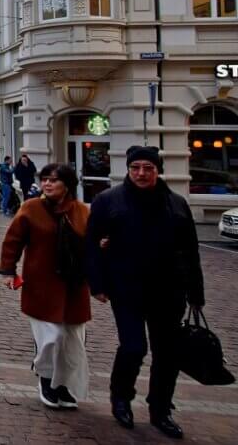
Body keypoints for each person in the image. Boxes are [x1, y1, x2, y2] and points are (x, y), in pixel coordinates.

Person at [85, 146, 205, 440]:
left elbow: (190, 250)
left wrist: (196, 292)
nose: (141, 173)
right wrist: (97, 284)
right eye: (136, 167)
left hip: (169, 290)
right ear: (128, 169)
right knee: (133, 347)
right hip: (126, 288)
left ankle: (160, 409)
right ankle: (121, 398)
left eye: (148, 168)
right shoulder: (108, 201)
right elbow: (90, 245)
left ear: (157, 170)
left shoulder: (176, 203)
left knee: (167, 353)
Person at [0, 163, 91, 410]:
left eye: (54, 180)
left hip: (74, 287)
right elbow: (13, 240)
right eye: (45, 179)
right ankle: (46, 379)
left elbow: (91, 248)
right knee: (51, 337)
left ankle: (64, 386)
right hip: (42, 285)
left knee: (73, 341)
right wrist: (8, 270)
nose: (48, 184)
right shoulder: (31, 208)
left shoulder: (81, 212)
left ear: (67, 185)